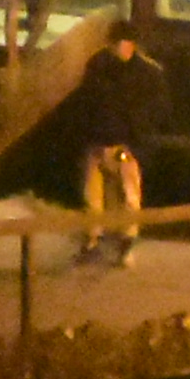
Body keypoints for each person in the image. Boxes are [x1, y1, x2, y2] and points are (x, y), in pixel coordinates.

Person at [65, 21, 169, 268]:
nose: (118, 48)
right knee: (96, 197)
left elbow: (153, 111)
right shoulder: (110, 68)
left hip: (121, 145)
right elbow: (87, 106)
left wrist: (134, 144)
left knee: (128, 197)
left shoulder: (121, 70)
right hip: (103, 143)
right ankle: (97, 240)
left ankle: (124, 241)